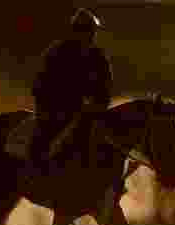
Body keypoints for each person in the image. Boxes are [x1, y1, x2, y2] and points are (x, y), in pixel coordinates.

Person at [28, 8, 114, 174]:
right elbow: (42, 83)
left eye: (92, 32)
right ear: (76, 30)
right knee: (44, 138)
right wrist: (58, 104)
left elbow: (105, 86)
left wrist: (99, 105)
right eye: (87, 31)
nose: (90, 35)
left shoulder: (98, 57)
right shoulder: (58, 52)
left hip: (87, 112)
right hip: (55, 110)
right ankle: (35, 172)